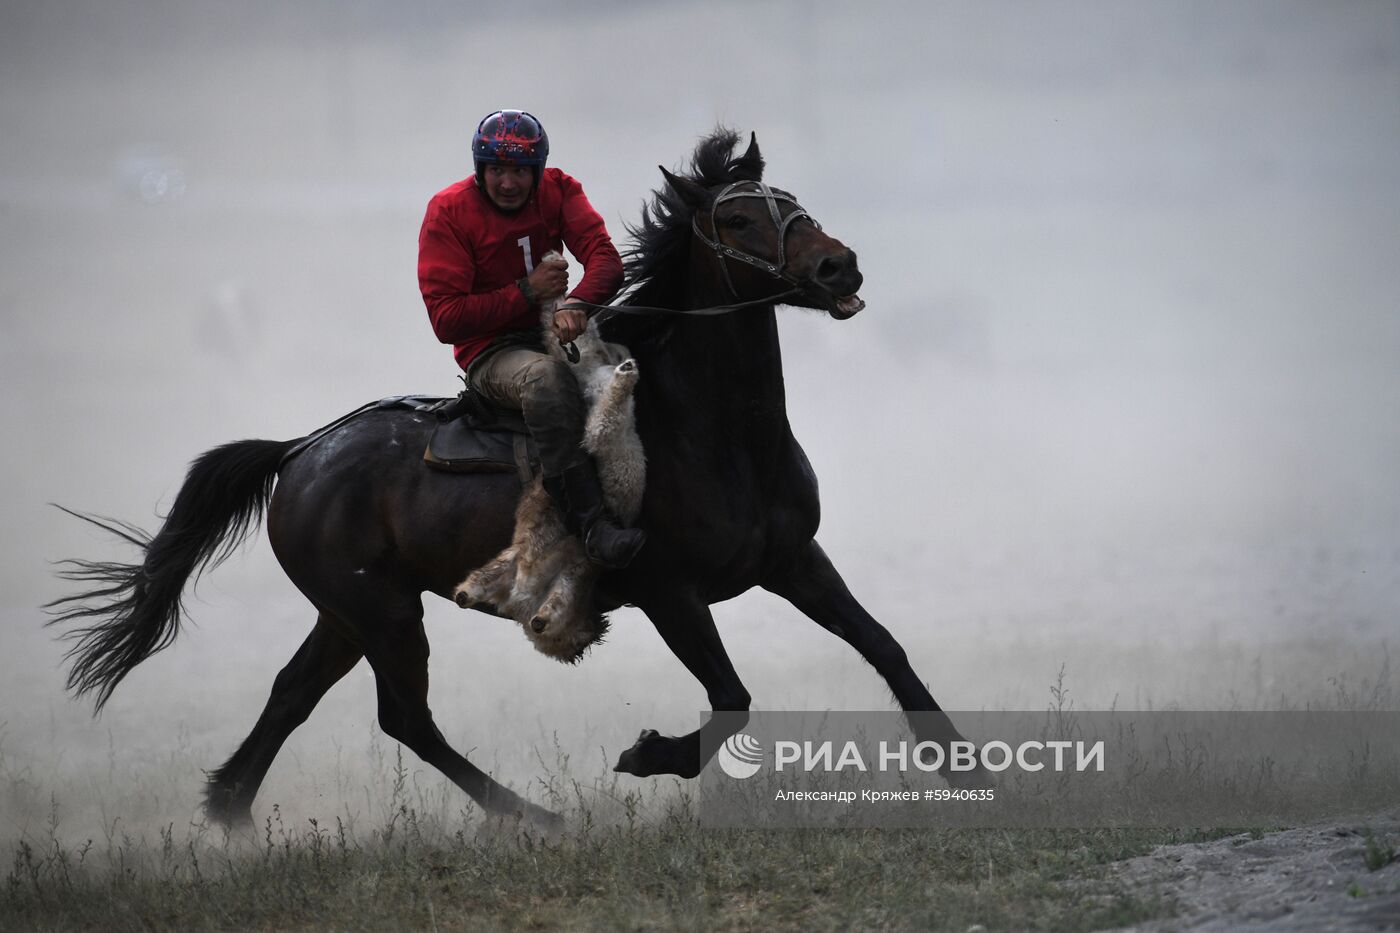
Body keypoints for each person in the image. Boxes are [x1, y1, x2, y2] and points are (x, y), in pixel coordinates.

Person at [417, 109, 644, 569]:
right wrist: (528, 291)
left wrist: (576, 303)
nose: (507, 183)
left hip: (553, 328)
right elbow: (447, 320)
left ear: (537, 171)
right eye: (497, 170)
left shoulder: (559, 189)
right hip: (492, 352)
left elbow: (605, 259)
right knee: (547, 380)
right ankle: (591, 525)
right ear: (480, 169)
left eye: (519, 171)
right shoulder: (448, 211)